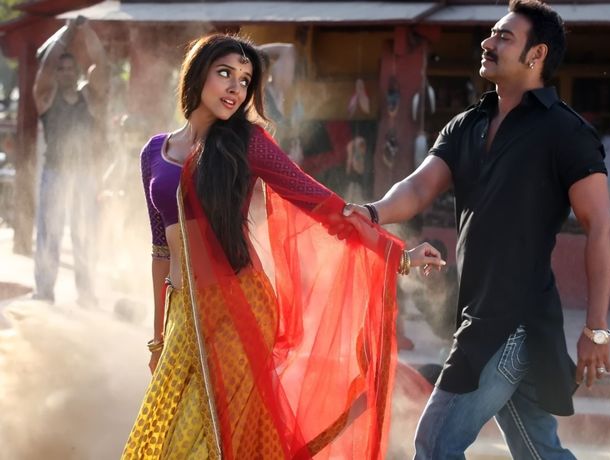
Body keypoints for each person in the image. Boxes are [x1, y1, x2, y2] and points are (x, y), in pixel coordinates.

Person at [122, 34, 444, 460]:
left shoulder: (246, 143)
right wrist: (157, 338)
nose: (235, 88)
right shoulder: (154, 153)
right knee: (163, 441)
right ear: (197, 74)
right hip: (184, 314)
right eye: (225, 73)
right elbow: (160, 251)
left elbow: (318, 201)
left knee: (207, 442)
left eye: (245, 80)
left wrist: (395, 255)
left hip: (238, 308)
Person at [345, 1, 610, 457]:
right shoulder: (467, 125)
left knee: (435, 443)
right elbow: (419, 186)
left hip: (510, 322)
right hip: (484, 315)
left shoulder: (565, 131)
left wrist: (598, 329)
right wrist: (372, 212)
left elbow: (601, 226)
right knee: (538, 451)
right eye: (492, 33)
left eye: (504, 37)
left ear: (537, 55)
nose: (488, 43)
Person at [32, 17, 107, 306]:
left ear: (77, 72)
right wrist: (66, 32)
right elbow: (46, 67)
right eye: (60, 69)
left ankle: (86, 294)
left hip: (85, 175)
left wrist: (86, 30)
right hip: (55, 172)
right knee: (49, 233)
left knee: (84, 234)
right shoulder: (47, 97)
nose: (64, 72)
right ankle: (44, 292)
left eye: (69, 68)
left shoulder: (90, 96)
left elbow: (101, 64)